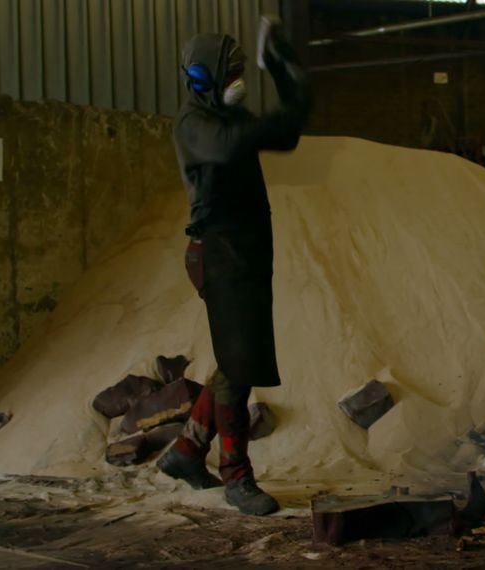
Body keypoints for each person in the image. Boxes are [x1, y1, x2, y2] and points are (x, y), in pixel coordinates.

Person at [156, 20, 310, 516]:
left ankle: (186, 450)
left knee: (235, 359)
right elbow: (233, 144)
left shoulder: (223, 117)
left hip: (245, 251)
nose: (237, 81)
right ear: (205, 77)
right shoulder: (196, 124)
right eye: (232, 73)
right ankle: (236, 477)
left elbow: (286, 131)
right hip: (219, 251)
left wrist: (284, 68)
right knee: (239, 366)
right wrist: (257, 116)